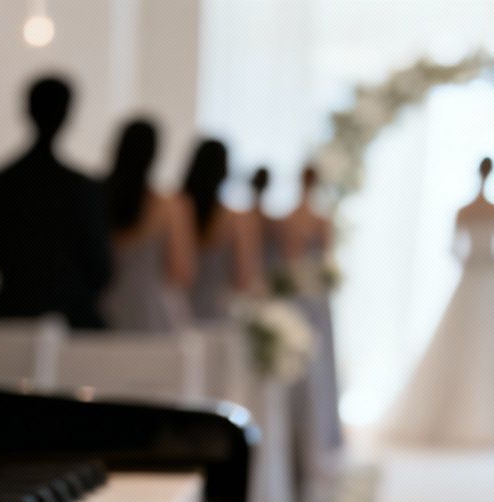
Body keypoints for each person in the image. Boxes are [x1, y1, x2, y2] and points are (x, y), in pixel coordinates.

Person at [383, 157, 494, 448]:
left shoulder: (470, 211)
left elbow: (455, 250)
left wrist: (476, 261)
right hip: (484, 281)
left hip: (475, 280)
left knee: (483, 348)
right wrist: (493, 261)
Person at [0, 76, 112, 329]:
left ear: (27, 110)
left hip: (14, 314)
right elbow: (100, 267)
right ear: (67, 114)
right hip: (73, 320)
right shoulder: (83, 188)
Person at [99, 118, 194, 332]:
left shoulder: (96, 196)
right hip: (150, 314)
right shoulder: (170, 207)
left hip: (102, 309)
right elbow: (181, 271)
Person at [281, 163, 345, 465]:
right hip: (306, 299)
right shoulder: (316, 220)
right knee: (311, 363)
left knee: (312, 363)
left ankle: (311, 430)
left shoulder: (291, 219)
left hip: (305, 298)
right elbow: (323, 259)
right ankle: (312, 430)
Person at [179, 139, 261, 322]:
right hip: (214, 315)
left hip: (176, 311)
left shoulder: (179, 210)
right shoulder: (234, 219)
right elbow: (243, 278)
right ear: (224, 172)